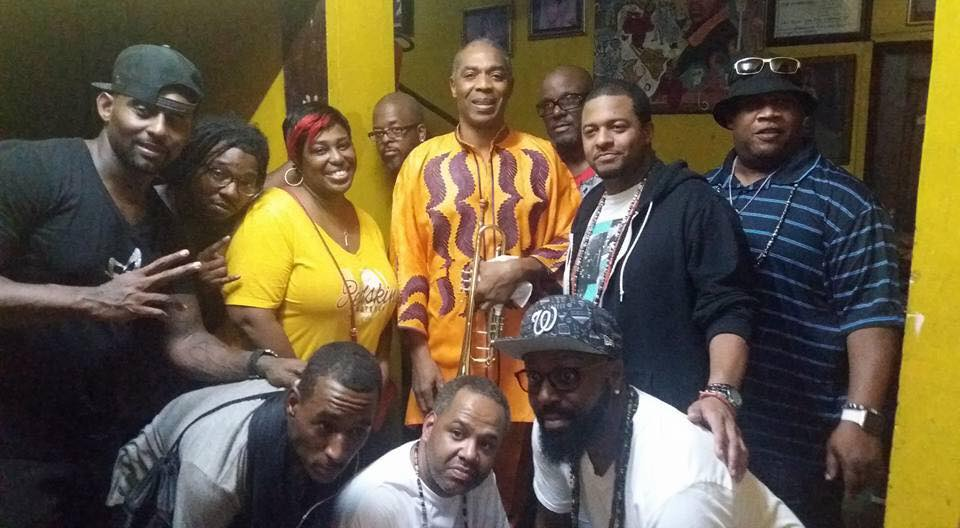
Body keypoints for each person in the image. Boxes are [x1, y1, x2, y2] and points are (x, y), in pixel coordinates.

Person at [0, 44, 302, 527]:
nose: (159, 129)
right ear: (107, 106)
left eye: (175, 119)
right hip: (16, 446)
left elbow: (187, 341)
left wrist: (262, 364)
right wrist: (92, 300)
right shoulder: (34, 170)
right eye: (143, 110)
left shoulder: (165, 228)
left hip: (103, 449)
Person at [705, 55, 905, 527]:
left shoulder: (845, 202)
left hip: (801, 432)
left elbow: (872, 314)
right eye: (753, 104)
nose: (768, 114)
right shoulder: (702, 195)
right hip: (713, 420)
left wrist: (860, 420)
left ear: (802, 116)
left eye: (783, 103)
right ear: (730, 118)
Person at [391, 38, 580, 523]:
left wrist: (525, 266)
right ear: (453, 86)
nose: (484, 85)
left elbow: (573, 241)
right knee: (438, 481)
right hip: (442, 355)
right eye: (471, 74)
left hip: (524, 358)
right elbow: (408, 262)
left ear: (509, 85)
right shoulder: (420, 164)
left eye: (495, 75)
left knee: (510, 487)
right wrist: (418, 355)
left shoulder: (542, 158)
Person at [565, 79, 755, 478]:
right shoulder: (590, 207)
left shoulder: (694, 203)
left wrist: (721, 392)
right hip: (597, 409)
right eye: (591, 131)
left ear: (647, 132)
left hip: (667, 412)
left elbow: (729, 306)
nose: (603, 140)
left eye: (618, 127)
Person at [495, 295, 802, 527]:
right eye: (534, 377)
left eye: (566, 377)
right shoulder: (557, 426)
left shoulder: (678, 490)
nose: (545, 396)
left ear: (614, 375)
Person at [108, 341, 382, 528]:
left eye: (358, 431)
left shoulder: (344, 425)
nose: (338, 452)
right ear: (292, 404)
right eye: (325, 426)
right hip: (152, 486)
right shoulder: (215, 475)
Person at [224, 103, 397, 368]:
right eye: (320, 150)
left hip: (359, 388)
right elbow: (248, 315)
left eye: (343, 145)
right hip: (292, 389)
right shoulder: (272, 214)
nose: (337, 157)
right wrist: (304, 381)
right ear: (297, 160)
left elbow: (382, 303)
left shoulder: (367, 223)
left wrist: (381, 363)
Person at [335, 376, 510, 527]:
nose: (470, 454)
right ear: (429, 427)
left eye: (486, 445)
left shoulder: (481, 480)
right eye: (457, 433)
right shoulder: (377, 499)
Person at [158, 116, 270, 332]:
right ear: (191, 165)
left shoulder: (243, 217)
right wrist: (193, 283)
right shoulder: (152, 210)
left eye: (247, 182)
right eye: (218, 174)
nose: (231, 192)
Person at [536, 65, 601, 195]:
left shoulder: (616, 171)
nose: (556, 112)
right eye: (547, 105)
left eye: (569, 100)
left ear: (593, 101)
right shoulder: (536, 174)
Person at [370, 91, 427, 178]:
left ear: (421, 132)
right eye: (379, 133)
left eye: (396, 130)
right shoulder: (401, 182)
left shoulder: (441, 178)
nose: (385, 139)